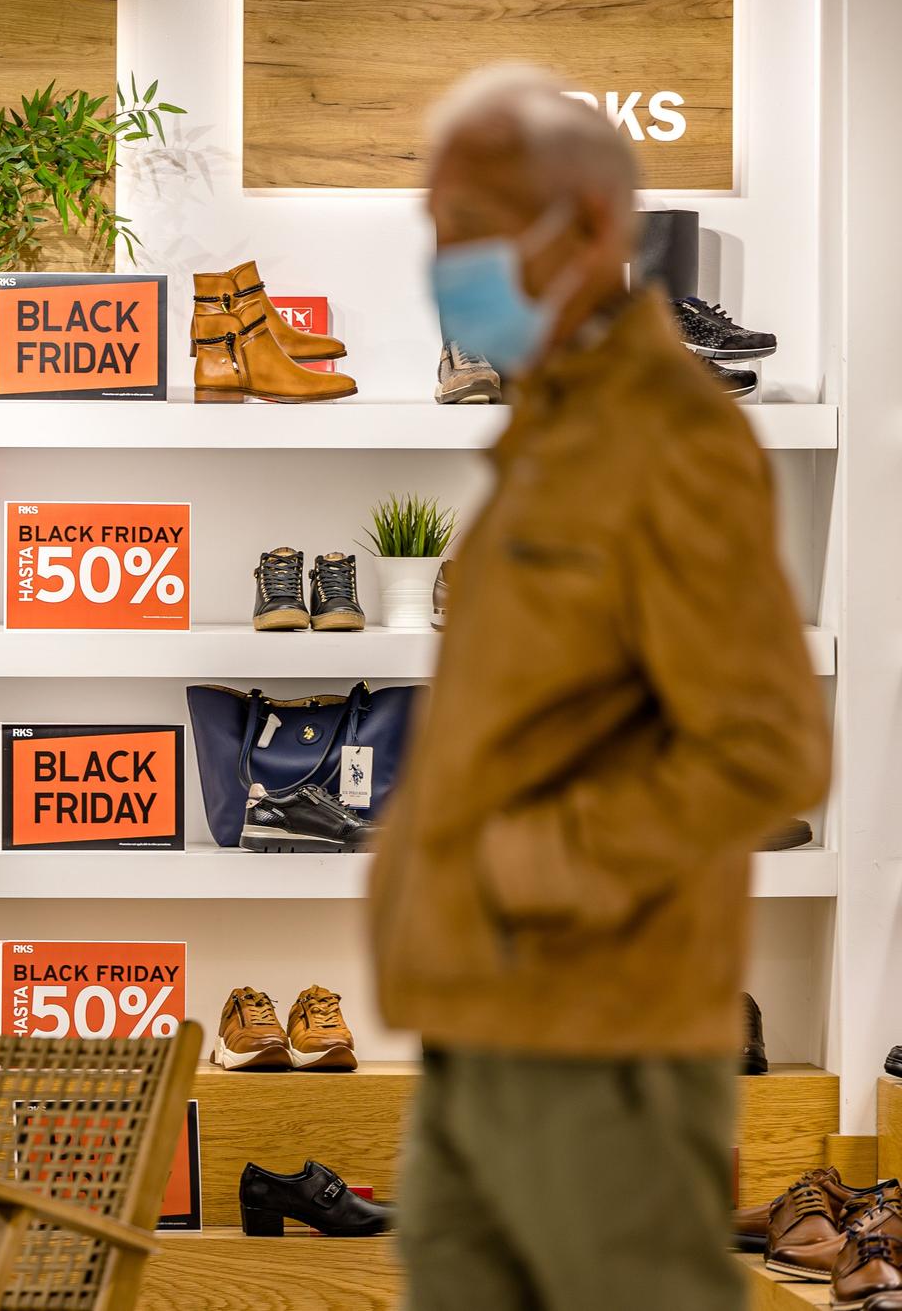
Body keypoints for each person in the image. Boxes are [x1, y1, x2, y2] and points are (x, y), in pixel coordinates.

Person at [372, 66, 830, 1310]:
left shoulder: (668, 442)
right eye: (435, 230)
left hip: (599, 1036)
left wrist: (536, 865)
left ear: (585, 230)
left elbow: (768, 748)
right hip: (480, 1021)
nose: (442, 262)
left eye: (468, 230)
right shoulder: (545, 441)